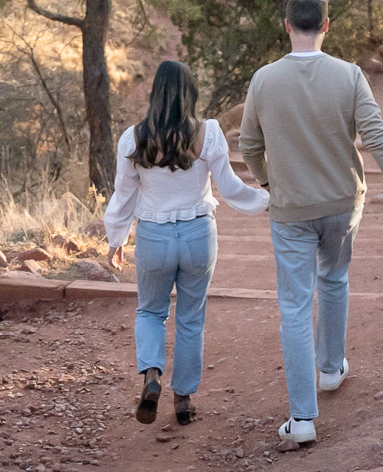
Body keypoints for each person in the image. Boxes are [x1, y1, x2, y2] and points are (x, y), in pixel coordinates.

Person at [238, 0, 383, 448]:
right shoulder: (350, 75)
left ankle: (302, 419)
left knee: (296, 307)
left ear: (287, 25)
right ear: (326, 25)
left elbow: (248, 145)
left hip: (291, 211)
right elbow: (379, 138)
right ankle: (330, 369)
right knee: (335, 278)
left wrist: (268, 184)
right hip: (343, 205)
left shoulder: (264, 80)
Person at [102, 57, 268, 424]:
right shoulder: (207, 133)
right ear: (191, 92)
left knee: (150, 311)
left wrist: (115, 239)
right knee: (191, 318)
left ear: (155, 93)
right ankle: (184, 400)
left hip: (154, 237)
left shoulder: (134, 137)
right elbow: (229, 188)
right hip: (197, 234)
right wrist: (267, 199)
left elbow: (123, 195)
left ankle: (151, 375)